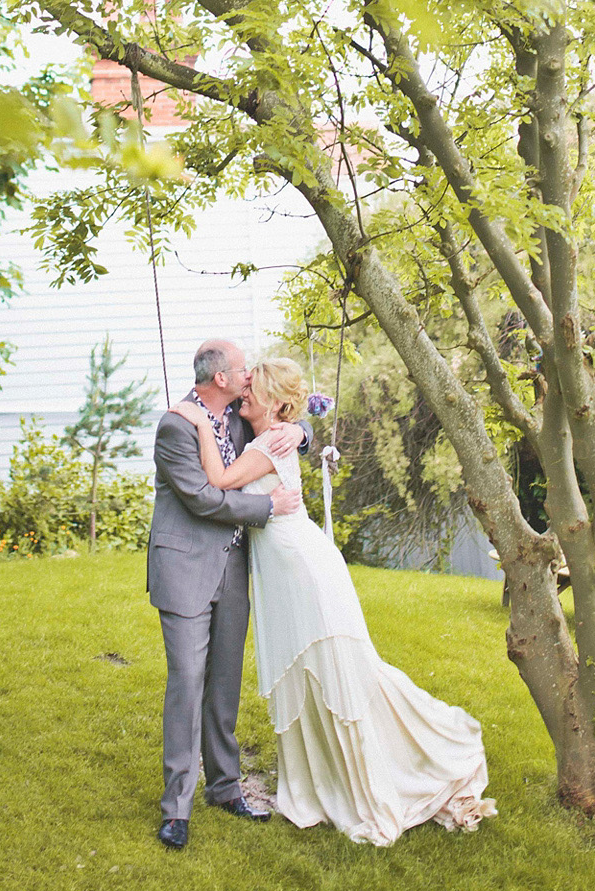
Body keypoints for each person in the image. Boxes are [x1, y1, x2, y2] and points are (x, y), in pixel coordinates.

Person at [170, 356, 497, 847]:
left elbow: (217, 482)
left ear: (276, 403)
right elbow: (263, 433)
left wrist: (203, 423)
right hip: (286, 568)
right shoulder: (267, 431)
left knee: (337, 668)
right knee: (314, 671)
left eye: (253, 388)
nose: (244, 393)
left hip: (303, 571)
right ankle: (324, 775)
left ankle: (375, 776)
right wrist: (297, 429)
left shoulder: (268, 439)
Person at [147, 339, 309, 851]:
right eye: (242, 371)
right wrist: (270, 509)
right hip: (184, 569)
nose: (247, 378)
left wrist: (299, 432)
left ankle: (225, 788)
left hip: (232, 570)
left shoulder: (238, 419)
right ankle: (177, 809)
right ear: (220, 377)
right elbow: (201, 498)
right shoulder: (176, 425)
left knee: (224, 682)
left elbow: (276, 429)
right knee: (188, 681)